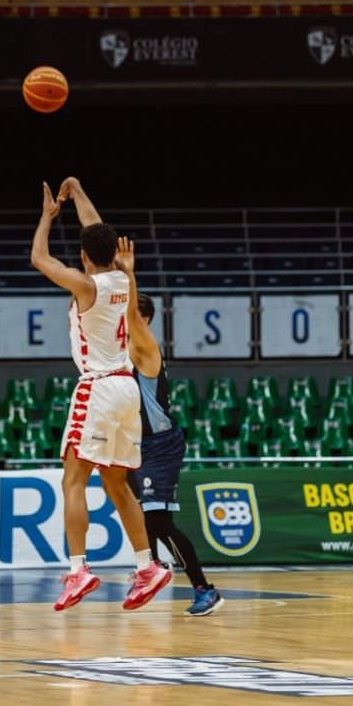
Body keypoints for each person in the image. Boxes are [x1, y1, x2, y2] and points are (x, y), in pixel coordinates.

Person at [32, 176, 171, 612]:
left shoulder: (85, 285)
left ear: (82, 257)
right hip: (128, 389)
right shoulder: (123, 278)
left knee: (73, 480)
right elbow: (98, 230)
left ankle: (78, 570)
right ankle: (147, 565)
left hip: (97, 387)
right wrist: (80, 193)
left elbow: (39, 258)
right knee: (117, 484)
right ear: (114, 252)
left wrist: (49, 215)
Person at [114, 237, 223, 616]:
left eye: (129, 314)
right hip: (134, 444)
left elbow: (128, 311)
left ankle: (204, 588)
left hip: (158, 444)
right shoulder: (121, 350)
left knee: (159, 522)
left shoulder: (145, 346)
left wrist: (127, 274)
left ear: (142, 320)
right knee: (145, 519)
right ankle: (153, 568)